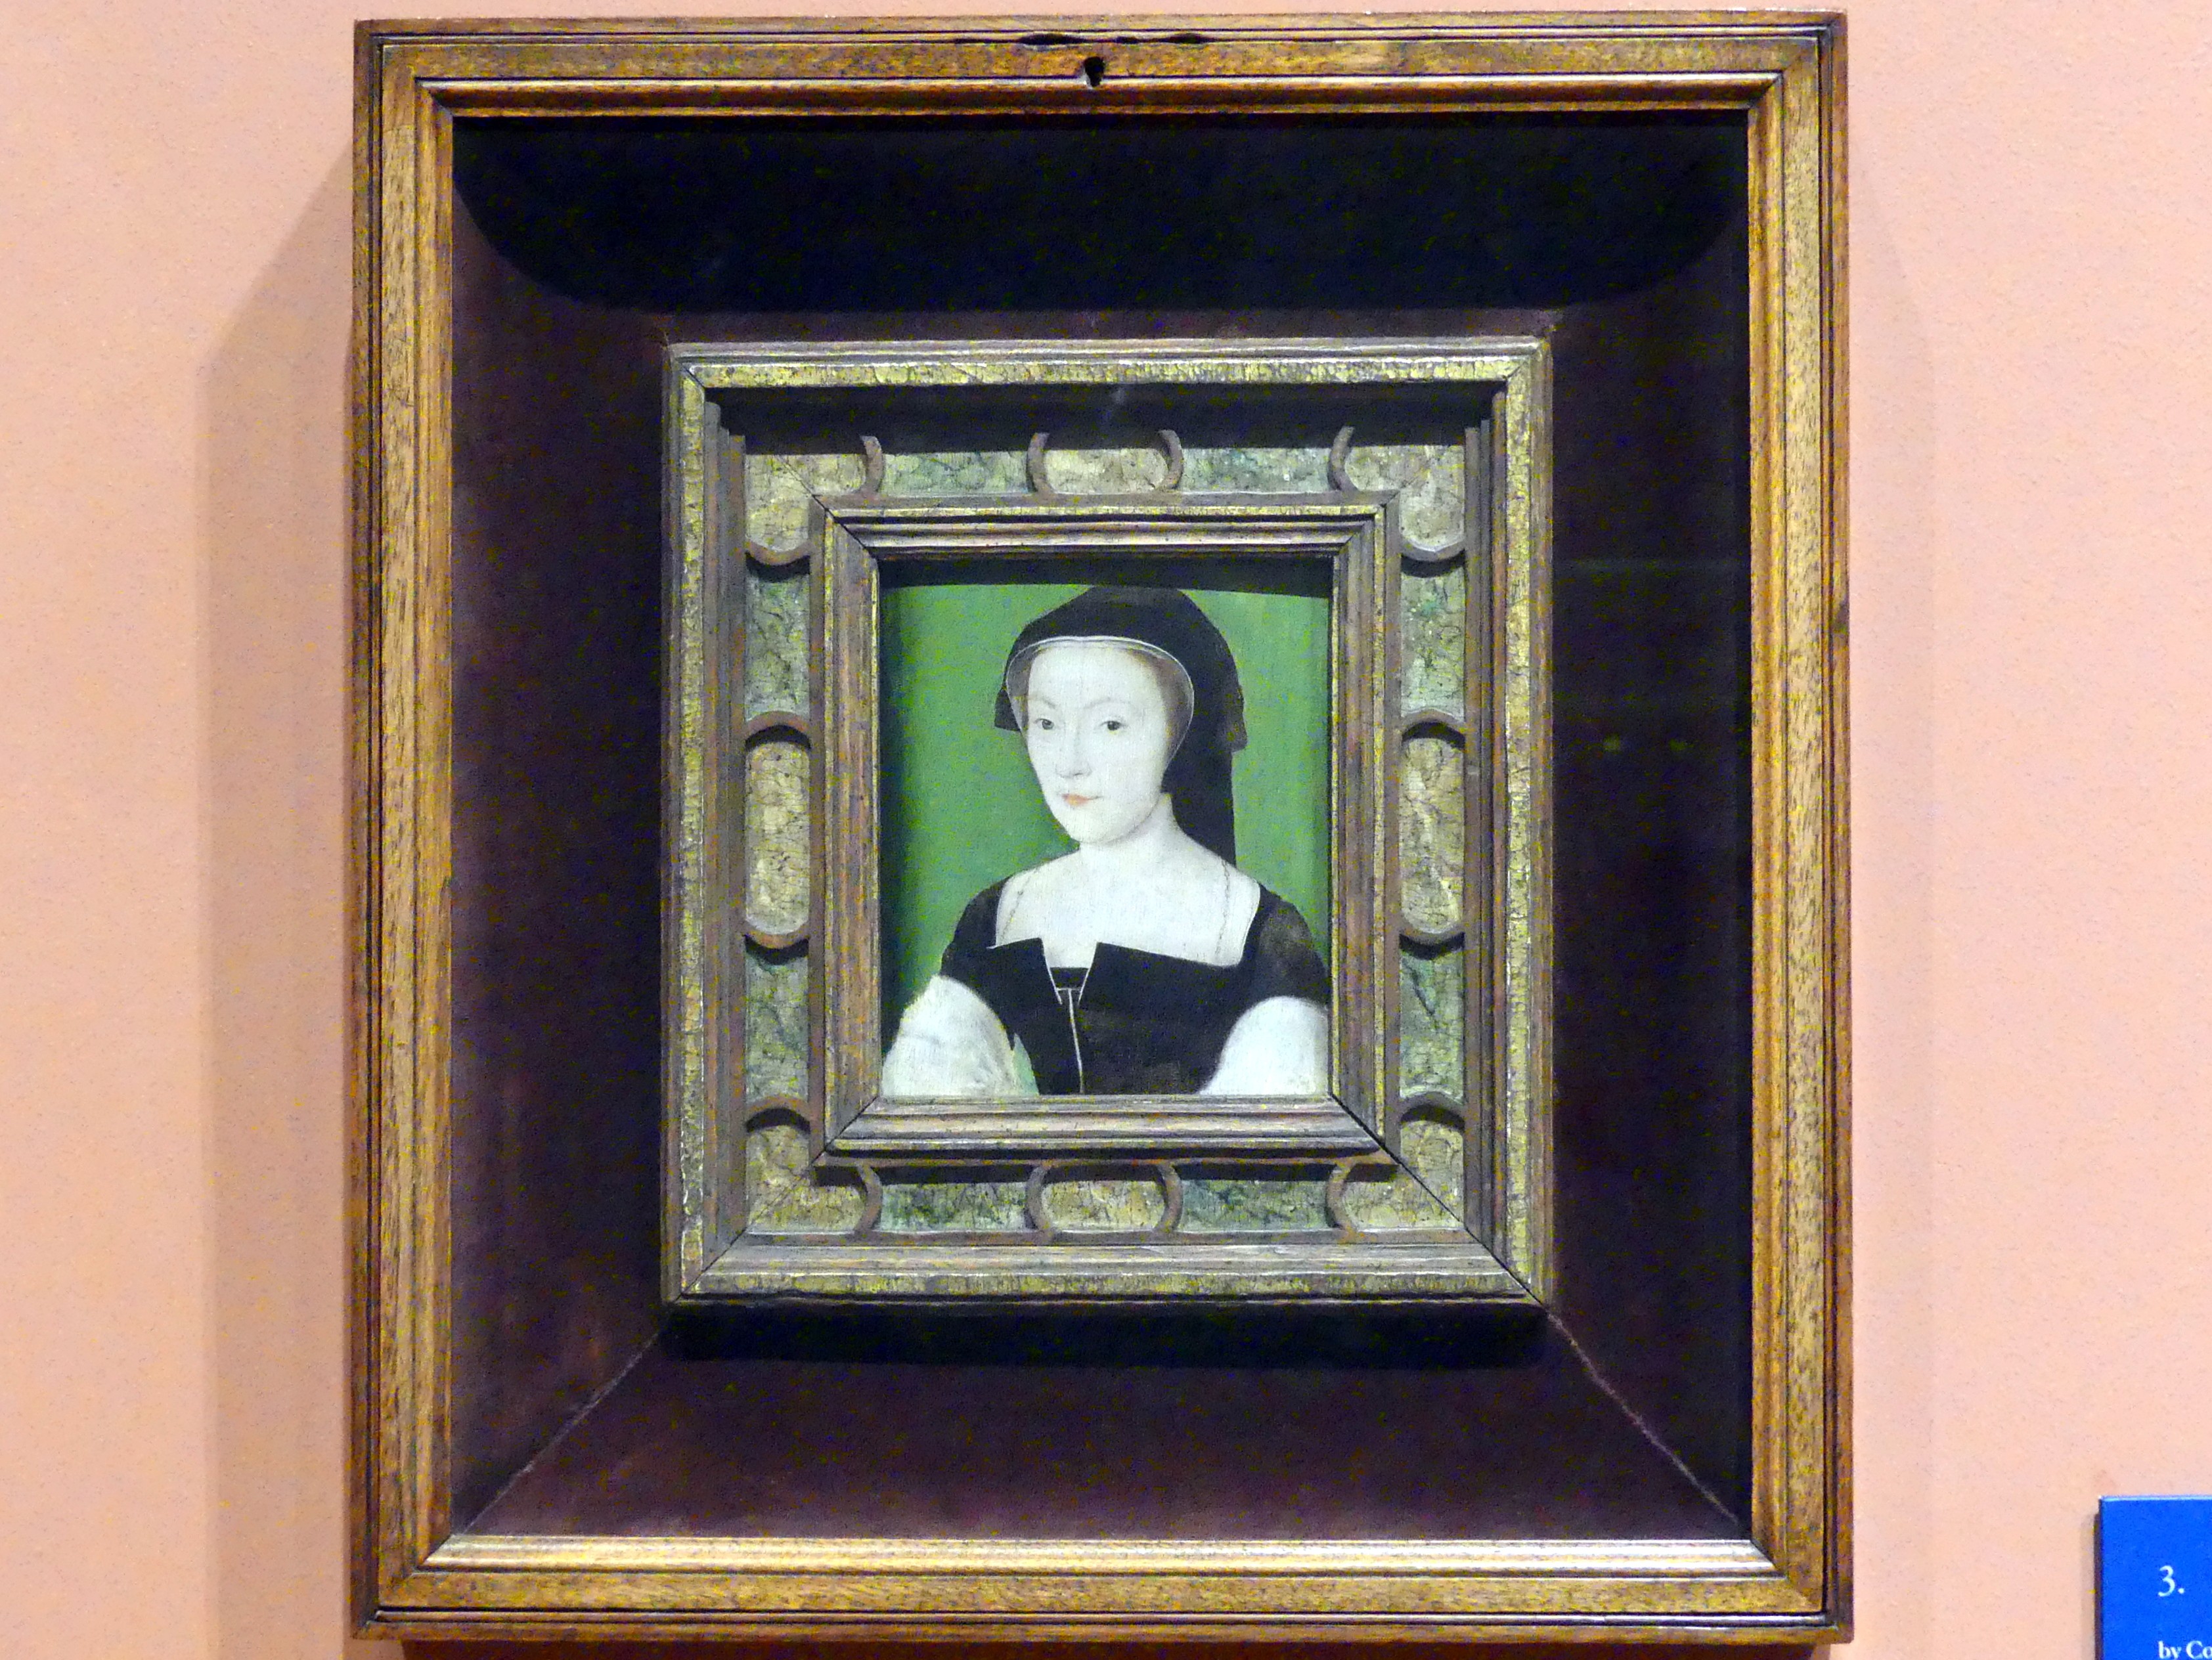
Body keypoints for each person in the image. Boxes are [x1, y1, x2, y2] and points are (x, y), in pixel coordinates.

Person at [880, 586, 1329, 1098]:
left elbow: (1281, 1123)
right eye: (1046, 723)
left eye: (1111, 725)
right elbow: (926, 1101)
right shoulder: (1003, 912)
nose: (1070, 762)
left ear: (1180, 735)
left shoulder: (1257, 927)